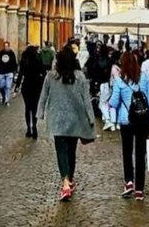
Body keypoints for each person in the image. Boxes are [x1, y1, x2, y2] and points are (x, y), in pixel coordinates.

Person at [37, 46, 96, 202]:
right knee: (71, 151)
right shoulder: (80, 77)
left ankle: (65, 182)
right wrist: (90, 118)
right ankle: (69, 180)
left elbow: (43, 96)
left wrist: (40, 113)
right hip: (75, 120)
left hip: (57, 120)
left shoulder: (51, 76)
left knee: (61, 151)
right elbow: (86, 100)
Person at [109, 51, 149, 202]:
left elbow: (114, 102)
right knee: (140, 154)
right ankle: (139, 190)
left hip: (126, 120)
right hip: (143, 120)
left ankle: (129, 181)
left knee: (127, 152)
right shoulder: (143, 78)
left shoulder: (119, 80)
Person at [13, 45, 46, 138]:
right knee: (35, 108)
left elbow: (20, 75)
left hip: (26, 87)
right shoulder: (38, 61)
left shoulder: (25, 62)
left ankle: (28, 129)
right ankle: (34, 127)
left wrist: (16, 88)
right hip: (36, 87)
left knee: (28, 108)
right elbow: (43, 74)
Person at [0, 41, 17, 105]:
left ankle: (6, 100)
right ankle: (4, 96)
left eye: (7, 46)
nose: (6, 47)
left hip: (9, 72)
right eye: (5, 46)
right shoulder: (1, 53)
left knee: (8, 86)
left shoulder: (12, 53)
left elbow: (14, 62)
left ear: (9, 46)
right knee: (1, 86)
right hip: (1, 72)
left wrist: (15, 71)